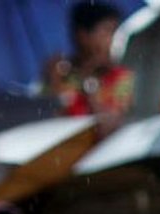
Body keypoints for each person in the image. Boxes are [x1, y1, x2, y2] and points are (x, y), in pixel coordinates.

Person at [43, 2, 134, 134]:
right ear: (83, 36)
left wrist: (89, 88)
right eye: (108, 31)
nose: (116, 41)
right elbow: (49, 129)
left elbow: (109, 130)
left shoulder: (122, 78)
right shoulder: (60, 74)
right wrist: (53, 82)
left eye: (117, 32)